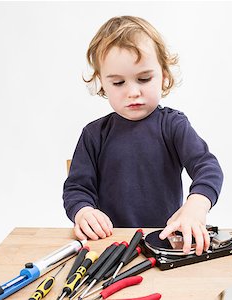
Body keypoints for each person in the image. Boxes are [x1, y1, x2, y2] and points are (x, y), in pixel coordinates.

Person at [63, 16, 223, 255]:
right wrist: (83, 212)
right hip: (110, 246)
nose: (133, 92)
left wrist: (197, 205)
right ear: (101, 84)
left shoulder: (173, 125)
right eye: (118, 82)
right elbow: (76, 188)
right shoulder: (93, 134)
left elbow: (207, 167)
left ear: (164, 76)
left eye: (144, 79)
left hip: (164, 244)